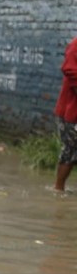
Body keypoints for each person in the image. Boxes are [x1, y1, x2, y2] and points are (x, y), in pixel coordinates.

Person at [54, 35, 77, 192]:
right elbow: (70, 71)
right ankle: (58, 190)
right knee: (70, 149)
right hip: (71, 111)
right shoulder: (75, 45)